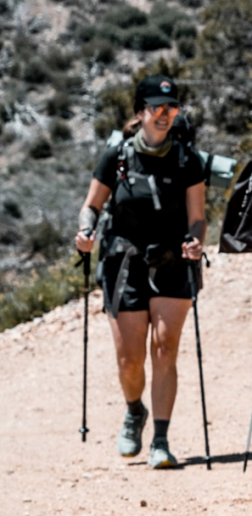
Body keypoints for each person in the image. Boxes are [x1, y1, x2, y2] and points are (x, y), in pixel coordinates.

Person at [74, 74, 206, 470]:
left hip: (172, 263)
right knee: (129, 359)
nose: (165, 114)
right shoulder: (116, 156)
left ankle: (161, 441)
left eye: (172, 107)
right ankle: (135, 411)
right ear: (140, 112)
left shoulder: (188, 159)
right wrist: (85, 230)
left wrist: (196, 241)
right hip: (124, 264)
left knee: (165, 348)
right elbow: (92, 205)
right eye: (157, 108)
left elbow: (198, 217)